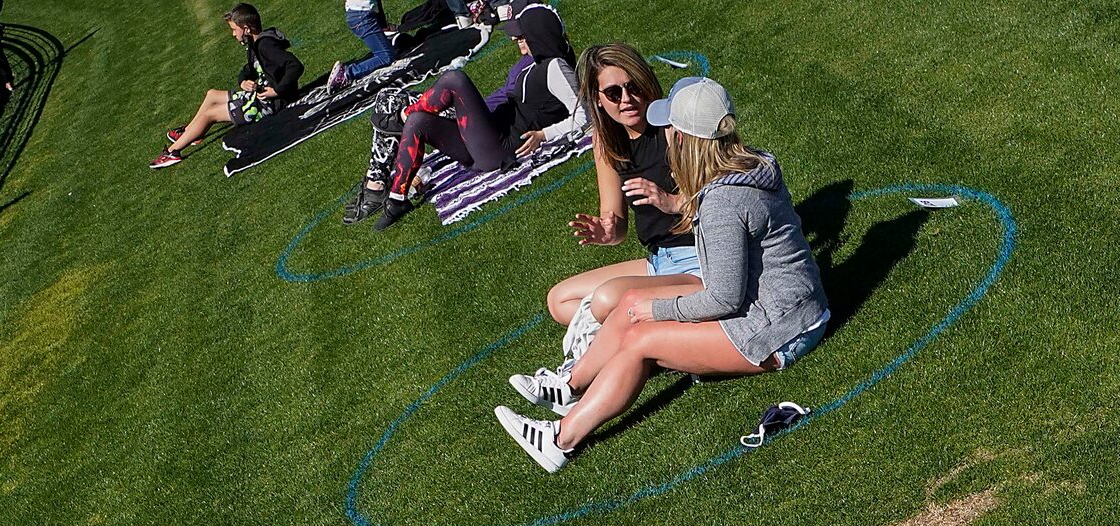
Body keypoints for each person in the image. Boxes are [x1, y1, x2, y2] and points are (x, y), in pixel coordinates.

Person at [492, 77, 826, 473]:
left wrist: (658, 309)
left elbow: (724, 299)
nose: (663, 133)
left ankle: (560, 438)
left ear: (683, 139)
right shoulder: (753, 163)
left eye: (669, 127)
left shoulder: (722, 201)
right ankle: (570, 389)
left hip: (777, 331)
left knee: (641, 337)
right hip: (795, 310)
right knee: (637, 315)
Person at [524, 47, 696, 374]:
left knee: (603, 301)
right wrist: (606, 232)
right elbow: (616, 227)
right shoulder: (606, 144)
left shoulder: (674, 130)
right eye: (613, 93)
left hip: (694, 254)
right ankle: (650, 339)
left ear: (648, 82)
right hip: (659, 259)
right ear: (598, 99)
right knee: (560, 301)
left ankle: (632, 349)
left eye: (634, 87)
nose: (626, 99)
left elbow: (716, 198)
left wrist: (670, 200)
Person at [342, 2, 578, 229]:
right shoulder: (533, 62)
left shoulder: (555, 67)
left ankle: (395, 130)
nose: (515, 39)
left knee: (454, 80)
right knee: (416, 119)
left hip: (500, 147)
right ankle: (396, 199)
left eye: (523, 35)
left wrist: (544, 135)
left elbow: (584, 115)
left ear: (540, 35)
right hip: (484, 133)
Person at [153, 5, 301, 167]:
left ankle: (173, 152)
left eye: (234, 29)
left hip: (268, 105)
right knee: (212, 94)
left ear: (246, 29)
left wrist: (277, 91)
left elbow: (295, 66)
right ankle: (191, 131)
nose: (233, 34)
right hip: (259, 96)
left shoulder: (265, 46)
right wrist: (243, 81)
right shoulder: (254, 44)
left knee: (209, 115)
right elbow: (249, 69)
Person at [318, 0, 397, 93]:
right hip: (363, 18)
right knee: (386, 56)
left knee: (388, 49)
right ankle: (347, 73)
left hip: (357, 14)